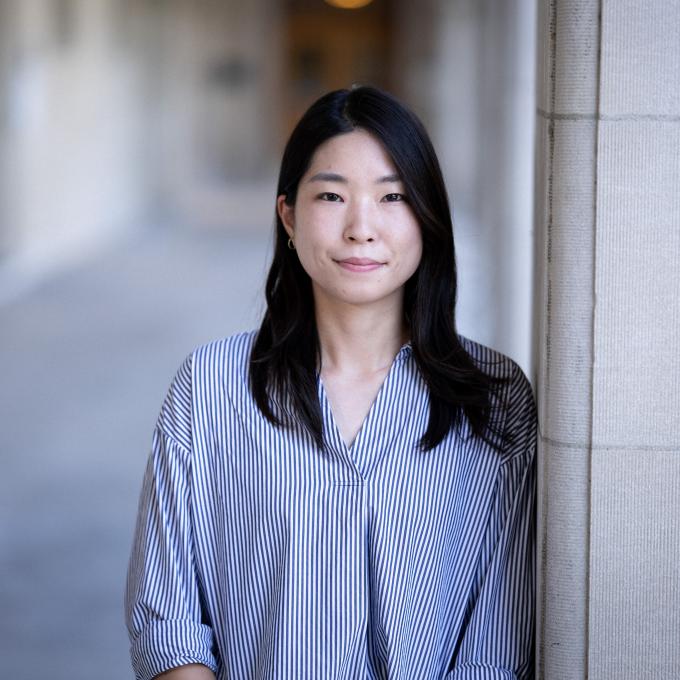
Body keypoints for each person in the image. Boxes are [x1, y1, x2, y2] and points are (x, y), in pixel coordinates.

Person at [125, 85, 536, 680]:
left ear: (427, 216)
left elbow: (496, 647)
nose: (360, 228)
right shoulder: (210, 389)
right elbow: (168, 622)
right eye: (331, 195)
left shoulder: (495, 402)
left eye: (392, 195)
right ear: (288, 215)